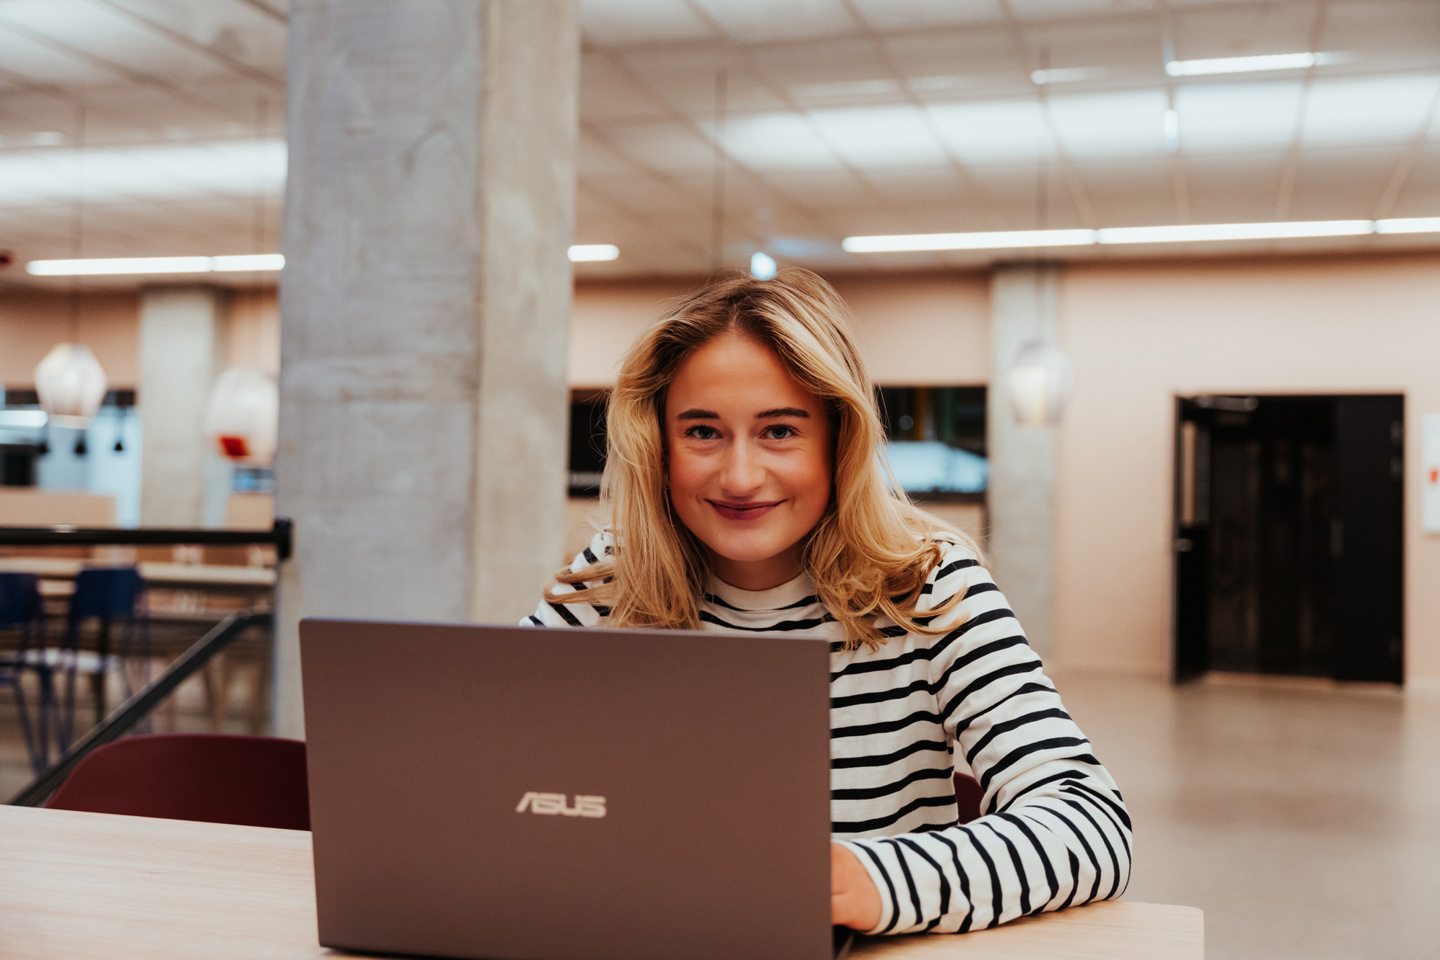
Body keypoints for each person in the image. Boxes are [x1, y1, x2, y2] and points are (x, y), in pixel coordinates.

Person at [525, 267, 1131, 935]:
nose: (740, 476)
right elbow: (476, 768)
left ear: (839, 441)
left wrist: (872, 881)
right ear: (659, 446)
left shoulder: (929, 586)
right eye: (702, 432)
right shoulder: (613, 581)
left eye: (779, 431)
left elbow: (1092, 824)